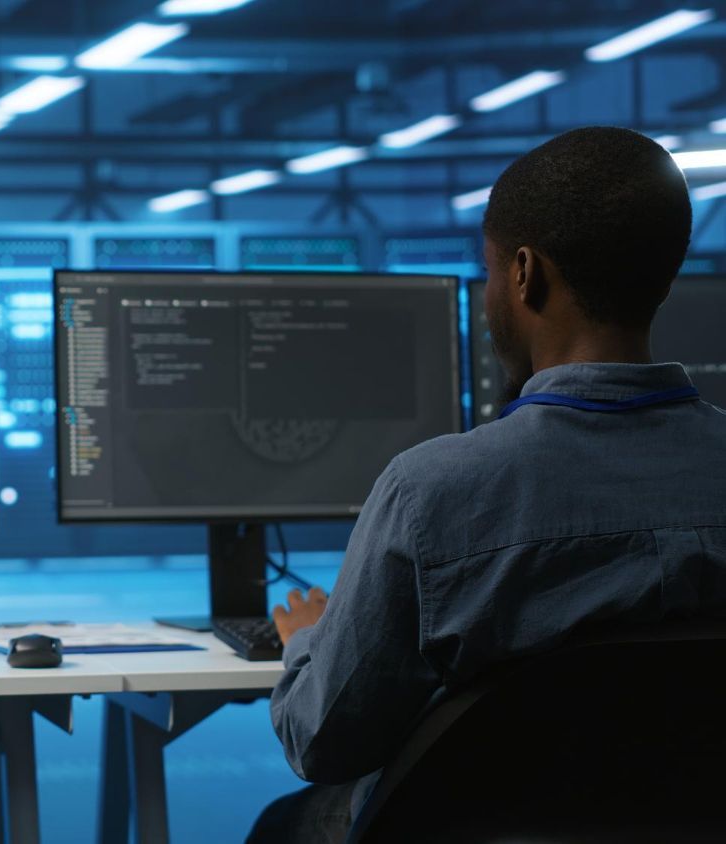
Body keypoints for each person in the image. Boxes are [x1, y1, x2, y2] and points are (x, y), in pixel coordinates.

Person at [248, 126, 726, 842]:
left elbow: (323, 741)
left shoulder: (433, 493)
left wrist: (308, 643)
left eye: (492, 271)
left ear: (526, 274)